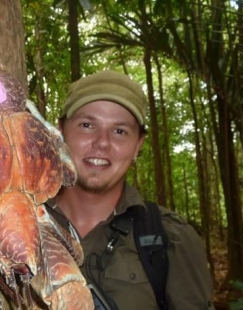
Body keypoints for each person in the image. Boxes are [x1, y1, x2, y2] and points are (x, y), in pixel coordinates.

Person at [46, 70, 215, 309]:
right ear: (59, 132)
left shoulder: (171, 238)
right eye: (87, 125)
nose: (102, 142)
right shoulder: (16, 223)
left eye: (119, 131)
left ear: (138, 145)